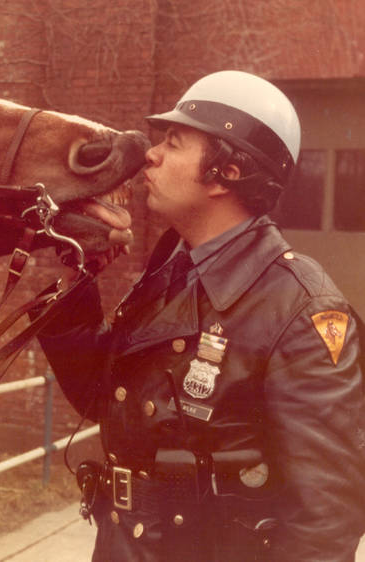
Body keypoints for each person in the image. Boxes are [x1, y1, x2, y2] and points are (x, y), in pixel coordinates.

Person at [37, 70, 365, 561]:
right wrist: (78, 276)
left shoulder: (301, 310)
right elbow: (101, 399)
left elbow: (325, 521)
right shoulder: (174, 269)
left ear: (228, 172)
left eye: (174, 141)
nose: (151, 154)